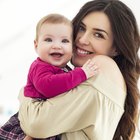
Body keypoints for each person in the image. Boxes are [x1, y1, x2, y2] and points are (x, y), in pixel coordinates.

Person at [0, 0, 139, 140]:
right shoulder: (106, 79)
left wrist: (24, 93)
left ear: (116, 48)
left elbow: (37, 123)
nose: (82, 40)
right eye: (81, 28)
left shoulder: (102, 64)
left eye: (98, 35)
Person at [24, 13, 98, 99]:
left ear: (73, 47)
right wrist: (82, 74)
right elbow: (49, 87)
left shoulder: (65, 68)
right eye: (48, 40)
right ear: (36, 45)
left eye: (64, 41)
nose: (57, 46)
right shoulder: (40, 66)